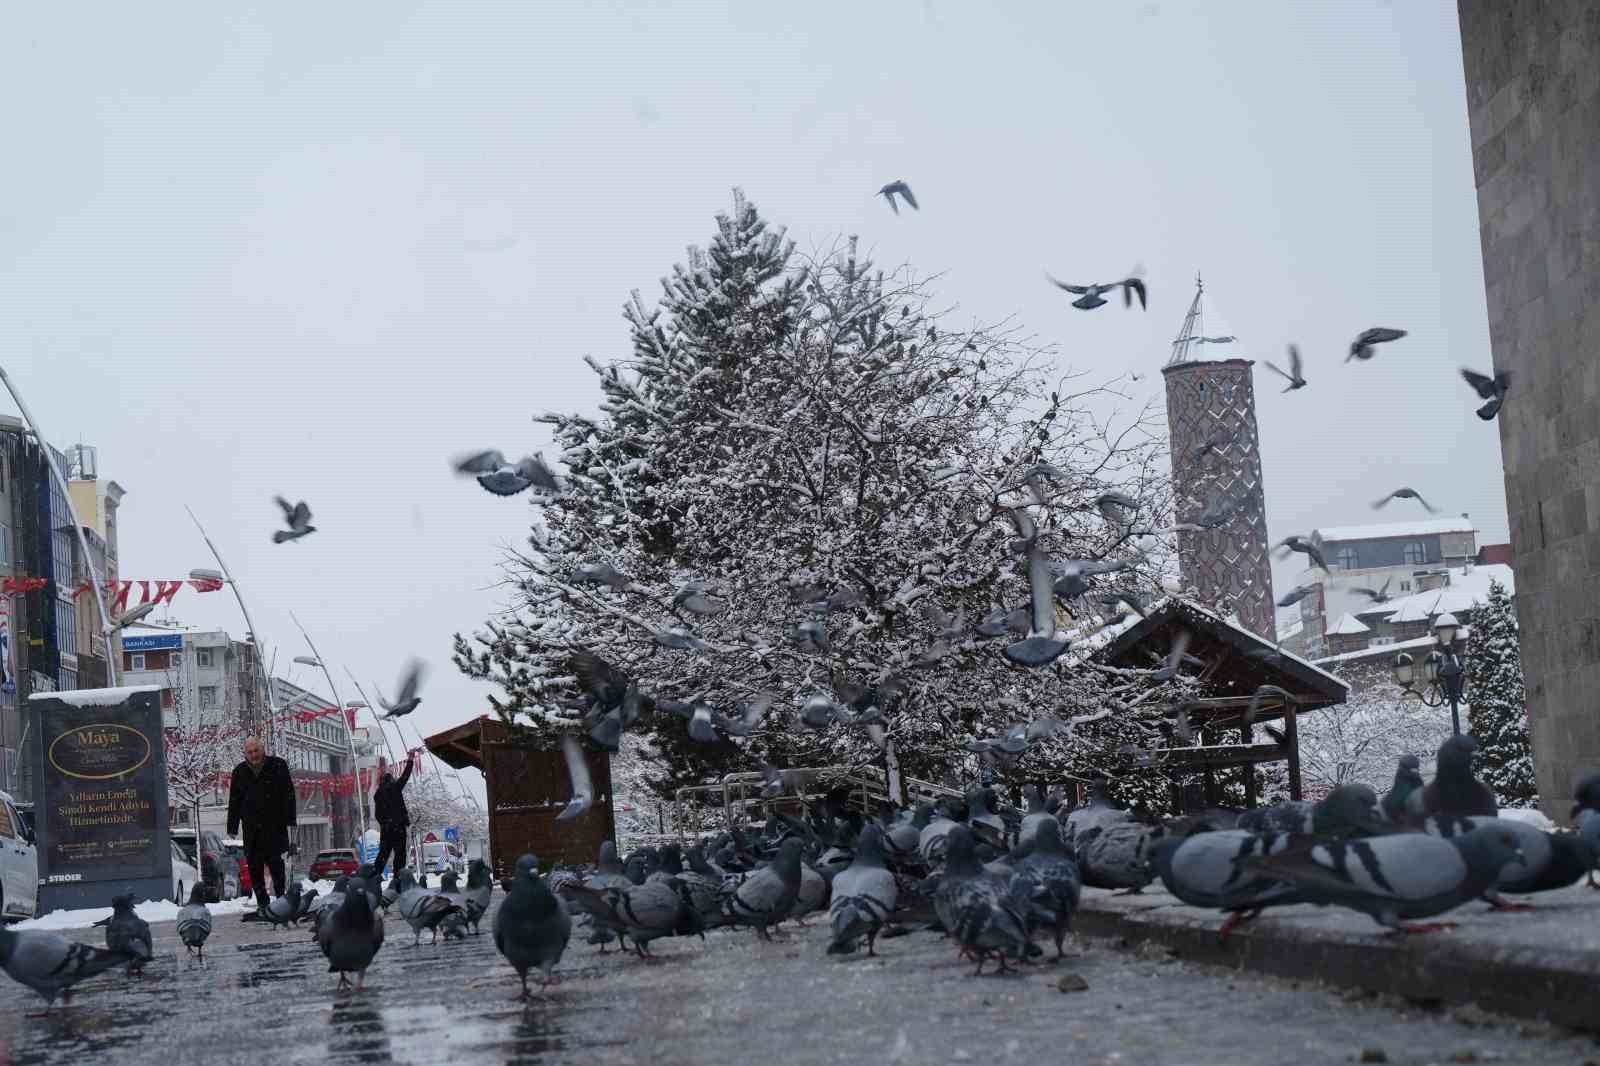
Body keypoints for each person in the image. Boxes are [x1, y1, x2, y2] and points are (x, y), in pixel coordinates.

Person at [225, 736, 297, 918]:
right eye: (249, 752)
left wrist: (291, 820)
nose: (254, 755)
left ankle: (282, 901)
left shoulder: (278, 766)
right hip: (252, 831)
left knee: (277, 867)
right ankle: (263, 905)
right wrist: (232, 827)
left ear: (262, 749)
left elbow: (289, 795)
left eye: (256, 750)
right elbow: (234, 801)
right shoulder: (239, 772)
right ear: (245, 754)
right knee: (255, 870)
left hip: (275, 828)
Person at [372, 754, 414, 877]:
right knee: (400, 854)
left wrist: (385, 824)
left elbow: (377, 815)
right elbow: (405, 776)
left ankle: (374, 877)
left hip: (386, 830)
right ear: (391, 780)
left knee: (383, 854)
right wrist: (410, 760)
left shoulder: (378, 795)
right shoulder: (395, 788)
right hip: (398, 828)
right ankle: (398, 877)